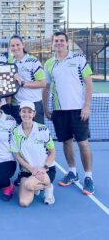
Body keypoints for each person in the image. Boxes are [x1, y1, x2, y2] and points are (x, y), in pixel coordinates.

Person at [43, 31, 94, 195]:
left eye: (61, 40)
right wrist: (45, 108)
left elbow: (89, 83)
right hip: (59, 111)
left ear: (67, 43)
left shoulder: (79, 60)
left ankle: (88, 177)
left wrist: (86, 106)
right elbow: (46, 87)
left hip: (79, 110)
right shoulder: (49, 64)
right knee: (66, 142)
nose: (58, 43)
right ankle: (72, 172)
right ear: (53, 44)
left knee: (83, 143)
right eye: (55, 41)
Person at [10, 101, 56, 207]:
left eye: (30, 112)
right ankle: (37, 186)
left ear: (34, 114)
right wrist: (31, 169)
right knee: (23, 202)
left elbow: (52, 152)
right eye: (24, 111)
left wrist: (44, 168)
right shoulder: (15, 132)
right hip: (27, 171)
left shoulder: (42, 129)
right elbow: (17, 156)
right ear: (20, 113)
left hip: (46, 170)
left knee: (29, 184)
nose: (27, 114)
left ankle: (48, 187)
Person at [8, 35, 46, 124]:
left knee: (36, 136)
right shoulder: (9, 61)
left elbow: (43, 83)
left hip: (33, 104)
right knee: (18, 135)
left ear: (23, 45)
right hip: (17, 106)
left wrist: (23, 83)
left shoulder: (33, 61)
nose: (15, 48)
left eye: (18, 45)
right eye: (12, 46)